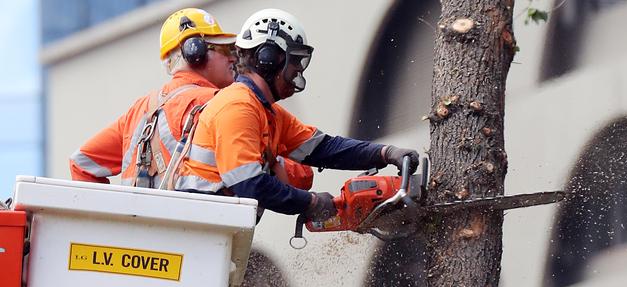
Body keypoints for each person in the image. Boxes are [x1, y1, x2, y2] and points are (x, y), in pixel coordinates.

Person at [175, 8, 419, 222]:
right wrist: (310, 203)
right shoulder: (237, 107)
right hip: (201, 227)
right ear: (267, 59)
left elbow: (324, 148)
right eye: (295, 62)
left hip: (216, 225)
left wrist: (384, 153)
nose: (297, 72)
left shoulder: (267, 111)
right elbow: (249, 184)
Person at [69, 8, 239, 187]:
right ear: (195, 52)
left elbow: (81, 164)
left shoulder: (139, 111)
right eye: (226, 50)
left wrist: (110, 213)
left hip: (133, 215)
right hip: (195, 216)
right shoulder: (220, 103)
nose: (233, 59)